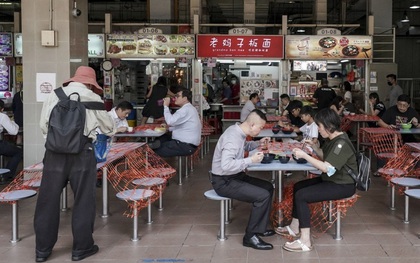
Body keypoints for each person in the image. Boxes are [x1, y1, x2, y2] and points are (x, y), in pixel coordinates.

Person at [35, 66, 116, 262]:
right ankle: (82, 248)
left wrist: (57, 142)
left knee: (48, 200)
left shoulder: (55, 95)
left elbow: (43, 124)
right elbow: (109, 128)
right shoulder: (92, 98)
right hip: (82, 153)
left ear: (74, 79)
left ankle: (42, 250)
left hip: (54, 155)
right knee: (83, 201)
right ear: (90, 83)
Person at [276, 108, 356, 252]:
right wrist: (314, 147)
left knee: (302, 196)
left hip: (343, 184)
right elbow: (326, 158)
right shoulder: (333, 139)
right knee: (299, 187)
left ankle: (305, 241)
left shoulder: (340, 144)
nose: (318, 129)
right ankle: (294, 227)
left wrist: (305, 156)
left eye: (319, 126)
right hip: (333, 180)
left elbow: (327, 168)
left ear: (328, 126)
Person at [211, 109, 275, 250]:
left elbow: (243, 147)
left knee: (268, 187)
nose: (261, 130)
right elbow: (226, 165)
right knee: (262, 196)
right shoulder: (232, 137)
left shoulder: (238, 132)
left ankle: (260, 228)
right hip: (223, 181)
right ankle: (250, 236)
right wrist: (250, 160)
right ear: (252, 125)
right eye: (261, 128)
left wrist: (257, 143)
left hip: (235, 175)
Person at [150, 89, 201, 157]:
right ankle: (152, 145)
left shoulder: (185, 110)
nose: (175, 98)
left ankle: (150, 152)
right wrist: (169, 128)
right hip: (186, 144)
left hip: (184, 145)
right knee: (163, 138)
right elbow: (183, 125)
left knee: (154, 151)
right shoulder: (189, 108)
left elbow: (170, 121)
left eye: (178, 96)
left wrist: (165, 106)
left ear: (185, 99)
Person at [0, 99, 23, 184]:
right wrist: (12, 122)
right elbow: (14, 131)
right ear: (2, 109)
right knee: (18, 152)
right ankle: (6, 176)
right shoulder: (2, 116)